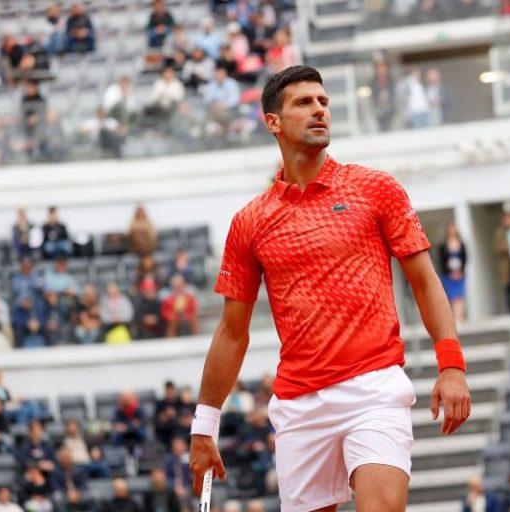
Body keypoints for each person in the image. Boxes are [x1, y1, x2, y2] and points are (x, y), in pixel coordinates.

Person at [189, 66, 470, 512]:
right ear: (273, 123)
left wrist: (451, 364)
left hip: (374, 388)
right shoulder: (250, 221)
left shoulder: (375, 188)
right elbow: (231, 331)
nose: (319, 110)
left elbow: (425, 280)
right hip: (299, 406)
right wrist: (205, 425)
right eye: (303, 102)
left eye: (323, 102)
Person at [439, 220, 467, 323]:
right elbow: (442, 261)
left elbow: (465, 259)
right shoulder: (443, 246)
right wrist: (450, 272)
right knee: (451, 297)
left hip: (460, 275)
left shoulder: (462, 244)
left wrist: (459, 272)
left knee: (459, 297)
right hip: (448, 275)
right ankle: (453, 320)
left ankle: (459, 318)